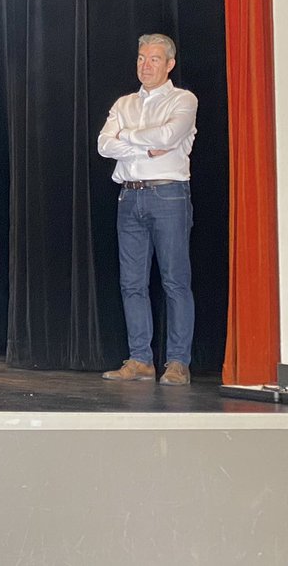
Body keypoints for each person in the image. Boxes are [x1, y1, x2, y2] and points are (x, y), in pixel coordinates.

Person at [96, 33, 197, 385]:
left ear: (169, 64)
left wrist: (129, 138)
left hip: (168, 195)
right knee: (132, 283)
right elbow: (104, 145)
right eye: (141, 58)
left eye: (154, 59)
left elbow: (169, 138)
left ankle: (177, 363)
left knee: (175, 281)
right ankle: (140, 359)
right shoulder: (124, 103)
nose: (145, 65)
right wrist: (143, 144)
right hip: (129, 196)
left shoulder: (183, 100)